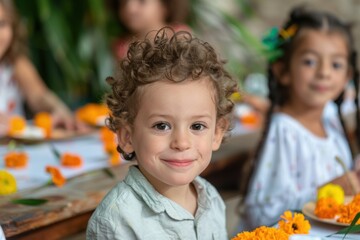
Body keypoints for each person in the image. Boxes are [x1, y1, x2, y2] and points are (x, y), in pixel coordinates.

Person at [86, 28, 237, 239]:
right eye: (162, 126)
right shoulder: (118, 221)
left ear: (216, 134)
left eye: (197, 126)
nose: (181, 143)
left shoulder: (210, 198)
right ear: (128, 137)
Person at [240, 6, 360, 229]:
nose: (324, 72)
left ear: (347, 76)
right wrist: (325, 191)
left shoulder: (331, 119)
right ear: (283, 70)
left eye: (336, 64)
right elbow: (261, 215)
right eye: (309, 62)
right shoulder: (284, 131)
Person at [0, 0, 81, 137]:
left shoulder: (15, 63)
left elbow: (39, 96)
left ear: (13, 25)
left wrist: (56, 108)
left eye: (2, 24)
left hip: (16, 150)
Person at [110, 0, 190, 60]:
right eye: (123, 3)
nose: (130, 9)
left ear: (165, 6)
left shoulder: (180, 35)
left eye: (142, 2)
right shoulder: (122, 47)